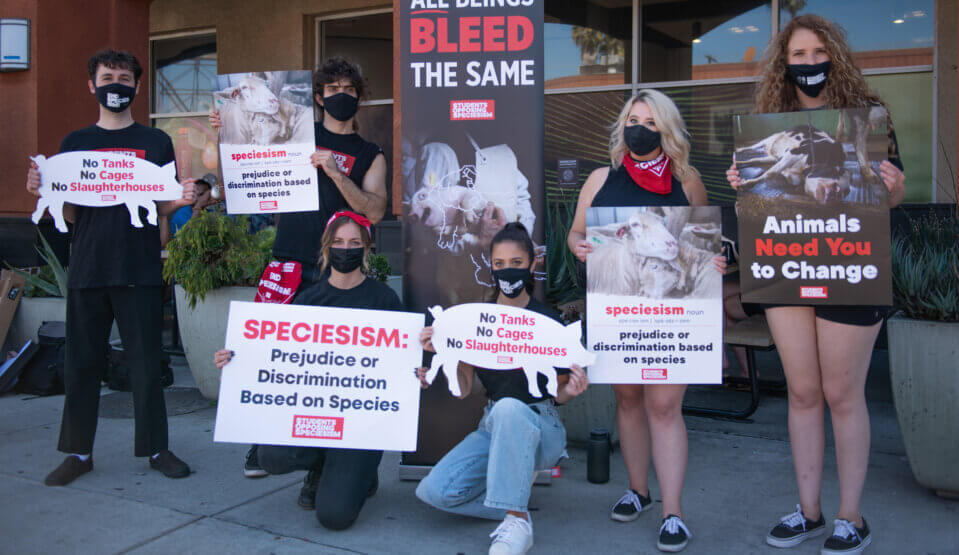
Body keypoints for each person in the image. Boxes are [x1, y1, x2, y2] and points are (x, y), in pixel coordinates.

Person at [726, 14, 905, 555]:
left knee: (841, 393)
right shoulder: (767, 124)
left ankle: (851, 517)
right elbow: (755, 201)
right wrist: (742, 183)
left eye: (817, 53)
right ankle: (808, 512)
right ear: (785, 63)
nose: (808, 63)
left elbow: (890, 198)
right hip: (786, 266)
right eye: (798, 55)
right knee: (803, 392)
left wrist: (893, 187)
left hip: (849, 267)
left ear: (835, 57)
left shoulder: (867, 119)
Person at [25, 48, 197, 486]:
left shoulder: (155, 142)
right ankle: (78, 454)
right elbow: (69, 217)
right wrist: (43, 191)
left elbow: (160, 207)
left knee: (146, 364)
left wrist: (186, 198)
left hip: (138, 266)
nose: (115, 84)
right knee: (81, 363)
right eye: (107, 77)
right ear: (92, 85)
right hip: (87, 266)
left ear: (137, 86)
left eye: (124, 77)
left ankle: (157, 449)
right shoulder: (74, 145)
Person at [210, 57, 388, 479]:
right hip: (288, 260)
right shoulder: (296, 135)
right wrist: (228, 136)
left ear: (358, 97)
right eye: (332, 89)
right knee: (267, 357)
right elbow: (243, 180)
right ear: (318, 97)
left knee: (332, 367)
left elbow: (375, 210)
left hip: (340, 269)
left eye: (349, 88)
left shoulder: (370, 153)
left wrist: (334, 170)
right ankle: (261, 444)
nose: (340, 95)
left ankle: (328, 465)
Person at [567, 89, 717, 552]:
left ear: (666, 130)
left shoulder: (687, 180)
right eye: (633, 120)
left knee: (665, 406)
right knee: (628, 400)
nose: (640, 129)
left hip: (673, 310)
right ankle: (638, 491)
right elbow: (575, 232)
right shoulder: (598, 180)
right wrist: (579, 246)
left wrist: (717, 263)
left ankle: (673, 513)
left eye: (651, 123)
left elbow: (704, 241)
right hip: (618, 307)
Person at [213, 211, 401, 528]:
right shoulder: (307, 301)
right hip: (316, 418)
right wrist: (238, 360)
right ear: (327, 248)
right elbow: (279, 359)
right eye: (339, 242)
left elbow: (399, 367)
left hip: (360, 427)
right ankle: (322, 467)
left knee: (334, 517)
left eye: (355, 242)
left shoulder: (385, 300)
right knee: (271, 455)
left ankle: (362, 472)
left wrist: (417, 370)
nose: (346, 248)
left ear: (367, 249)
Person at [414, 222, 589, 555]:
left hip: (541, 424)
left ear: (532, 265)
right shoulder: (474, 320)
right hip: (492, 425)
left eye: (517, 264)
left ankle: (517, 520)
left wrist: (574, 390)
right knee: (433, 492)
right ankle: (512, 495)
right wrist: (444, 356)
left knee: (510, 406)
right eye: (500, 265)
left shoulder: (547, 321)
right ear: (491, 267)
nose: (508, 271)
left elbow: (560, 393)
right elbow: (464, 389)